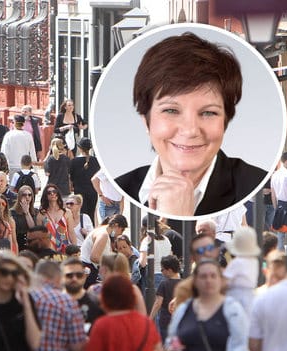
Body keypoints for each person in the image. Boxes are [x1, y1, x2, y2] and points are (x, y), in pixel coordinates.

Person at [114, 32, 268, 217]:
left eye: (208, 113)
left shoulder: (254, 184)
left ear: (225, 122)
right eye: (171, 111)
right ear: (146, 120)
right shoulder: (123, 186)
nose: (190, 130)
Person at [36, 184, 77, 254]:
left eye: (54, 191)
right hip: (48, 250)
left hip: (64, 249)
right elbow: (39, 235)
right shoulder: (41, 214)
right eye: (49, 193)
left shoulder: (66, 212)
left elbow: (71, 232)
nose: (52, 194)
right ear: (46, 196)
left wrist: (75, 250)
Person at [149, 255, 181, 342]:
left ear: (169, 270)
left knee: (165, 344)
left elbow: (158, 303)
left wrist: (150, 318)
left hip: (166, 321)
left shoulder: (164, 284)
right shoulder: (183, 284)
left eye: (162, 269)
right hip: (179, 320)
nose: (161, 271)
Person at [69, 138, 100, 223]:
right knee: (91, 214)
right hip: (92, 191)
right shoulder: (96, 161)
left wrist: (70, 187)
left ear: (79, 148)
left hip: (79, 191)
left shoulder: (74, 161)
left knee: (81, 215)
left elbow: (71, 178)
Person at [10, 185, 39, 251]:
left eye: (29, 195)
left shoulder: (35, 211)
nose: (27, 197)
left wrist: (27, 213)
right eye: (24, 195)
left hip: (31, 242)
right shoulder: (12, 212)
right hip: (18, 241)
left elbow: (33, 228)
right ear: (19, 196)